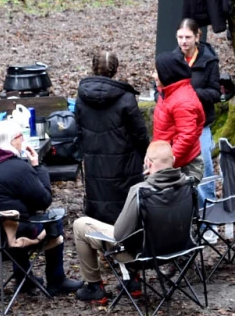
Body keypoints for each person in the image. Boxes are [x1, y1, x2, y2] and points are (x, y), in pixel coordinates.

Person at [71, 140, 187, 304]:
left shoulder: (140, 191)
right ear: (173, 161)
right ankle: (131, 282)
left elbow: (120, 234)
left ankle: (94, 287)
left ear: (147, 162)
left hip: (141, 255)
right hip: (175, 250)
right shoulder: (187, 185)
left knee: (80, 225)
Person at [0, 121, 81, 295]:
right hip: (10, 236)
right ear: (10, 141)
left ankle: (24, 279)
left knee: (11, 219)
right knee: (52, 220)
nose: (23, 140)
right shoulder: (19, 169)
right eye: (20, 137)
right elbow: (44, 200)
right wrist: (37, 166)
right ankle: (56, 280)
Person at [76, 50, 150, 224]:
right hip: (124, 163)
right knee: (124, 208)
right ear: (115, 69)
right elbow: (139, 132)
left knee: (99, 204)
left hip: (95, 162)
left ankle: (101, 242)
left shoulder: (81, 96)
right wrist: (145, 153)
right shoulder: (126, 97)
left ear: (93, 68)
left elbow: (78, 130)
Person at [175, 18, 221, 203]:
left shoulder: (209, 61)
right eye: (180, 37)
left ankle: (208, 220)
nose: (183, 41)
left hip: (200, 125)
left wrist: (191, 94)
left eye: (187, 37)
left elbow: (215, 93)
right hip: (177, 124)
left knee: (204, 172)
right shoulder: (172, 59)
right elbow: (159, 89)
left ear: (197, 37)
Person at [152, 51, 206, 185]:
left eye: (156, 71)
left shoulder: (183, 101)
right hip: (168, 161)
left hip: (182, 166)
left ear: (167, 73)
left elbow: (187, 136)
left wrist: (166, 160)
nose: (152, 75)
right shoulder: (167, 92)